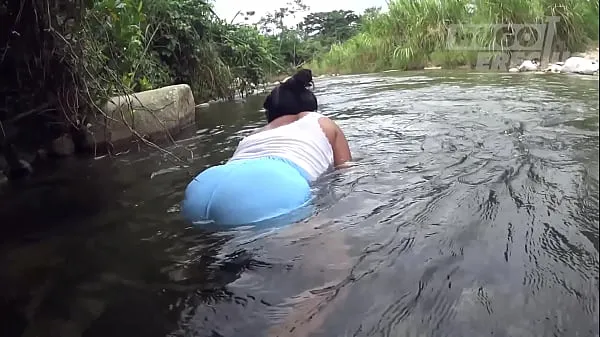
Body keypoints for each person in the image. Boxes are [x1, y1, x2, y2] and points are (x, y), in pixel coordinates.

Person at [181, 69, 352, 227]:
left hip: (204, 185)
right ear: (311, 106)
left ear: (270, 114)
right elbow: (345, 170)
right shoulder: (321, 121)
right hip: (272, 185)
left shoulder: (253, 135)